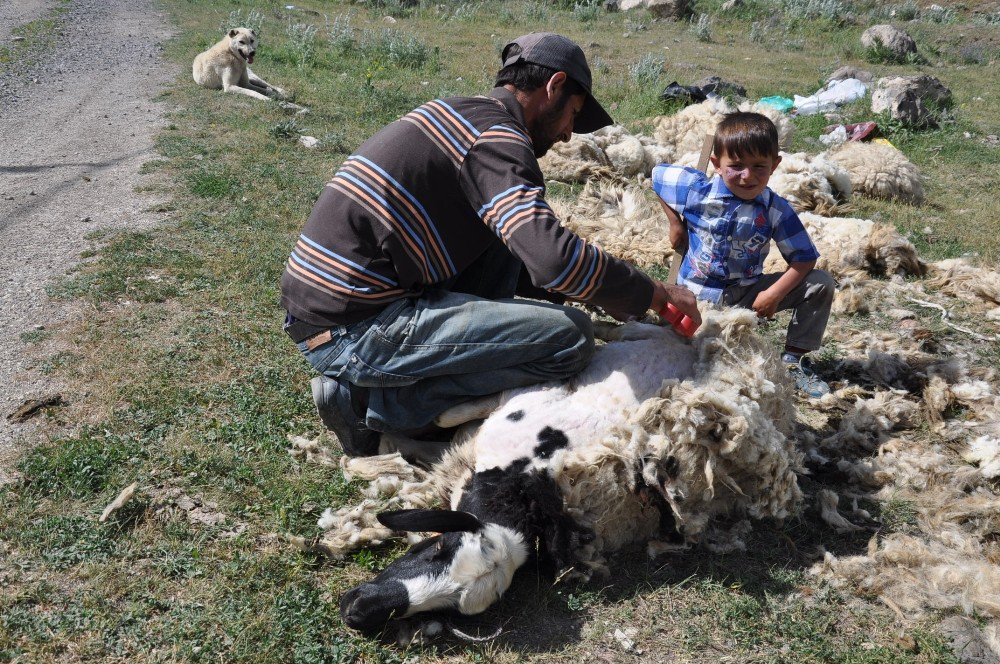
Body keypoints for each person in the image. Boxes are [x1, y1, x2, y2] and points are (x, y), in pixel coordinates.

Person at [280, 32, 700, 457]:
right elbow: (553, 258)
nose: (569, 134)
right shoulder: (499, 139)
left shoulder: (460, 113)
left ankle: (395, 382)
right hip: (355, 328)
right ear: (553, 86)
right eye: (571, 114)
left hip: (333, 307)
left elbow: (530, 254)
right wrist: (650, 291)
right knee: (569, 339)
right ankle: (374, 403)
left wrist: (601, 290)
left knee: (503, 241)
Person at [651, 111, 833, 397]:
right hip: (695, 295)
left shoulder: (775, 209)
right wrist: (675, 223)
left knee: (820, 283)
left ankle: (795, 360)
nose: (747, 177)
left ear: (775, 165)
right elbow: (657, 176)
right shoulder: (695, 190)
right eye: (736, 166)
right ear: (717, 164)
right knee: (676, 354)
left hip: (747, 295)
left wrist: (773, 294)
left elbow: (804, 258)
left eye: (759, 166)